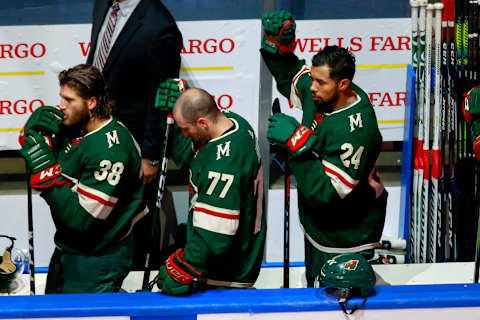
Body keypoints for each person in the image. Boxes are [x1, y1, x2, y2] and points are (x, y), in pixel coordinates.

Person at [261, 11, 388, 287]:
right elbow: (293, 76)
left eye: (320, 82)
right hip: (320, 228)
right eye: (313, 79)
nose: (312, 87)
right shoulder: (323, 92)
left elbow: (329, 193)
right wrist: (279, 48)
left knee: (338, 305)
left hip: (347, 237)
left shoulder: (357, 130)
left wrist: (295, 141)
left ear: (343, 85)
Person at [18, 64, 146, 293]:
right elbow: (41, 151)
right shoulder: (78, 130)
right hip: (70, 250)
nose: (61, 106)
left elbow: (82, 222)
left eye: (69, 100)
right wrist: (34, 134)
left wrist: (47, 175)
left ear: (91, 103)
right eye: (61, 98)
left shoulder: (112, 152)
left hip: (98, 258)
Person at [86, 0, 183, 268]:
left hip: (133, 147)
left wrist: (150, 156)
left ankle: (135, 283)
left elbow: (159, 98)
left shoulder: (160, 26)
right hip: (96, 136)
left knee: (133, 222)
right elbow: (97, 64)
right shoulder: (104, 4)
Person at [153, 82, 266, 295]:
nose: (184, 134)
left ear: (203, 122)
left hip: (223, 274)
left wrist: (186, 266)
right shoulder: (234, 123)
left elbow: (216, 233)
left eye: (185, 129)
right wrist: (179, 107)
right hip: (224, 264)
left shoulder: (225, 163)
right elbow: (192, 158)